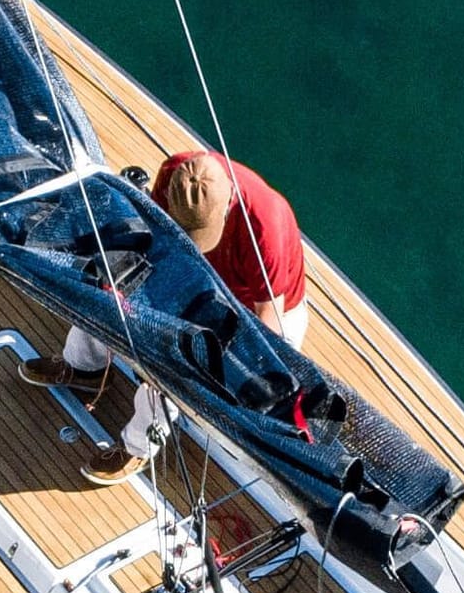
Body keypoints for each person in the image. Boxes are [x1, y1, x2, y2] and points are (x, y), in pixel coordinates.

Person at [20, 150, 308, 483]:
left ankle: (139, 446)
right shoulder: (178, 171)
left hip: (248, 309)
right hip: (190, 274)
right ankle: (83, 366)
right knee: (107, 294)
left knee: (179, 369)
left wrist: (228, 371)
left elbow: (267, 320)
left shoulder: (263, 225)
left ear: (225, 214)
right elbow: (152, 239)